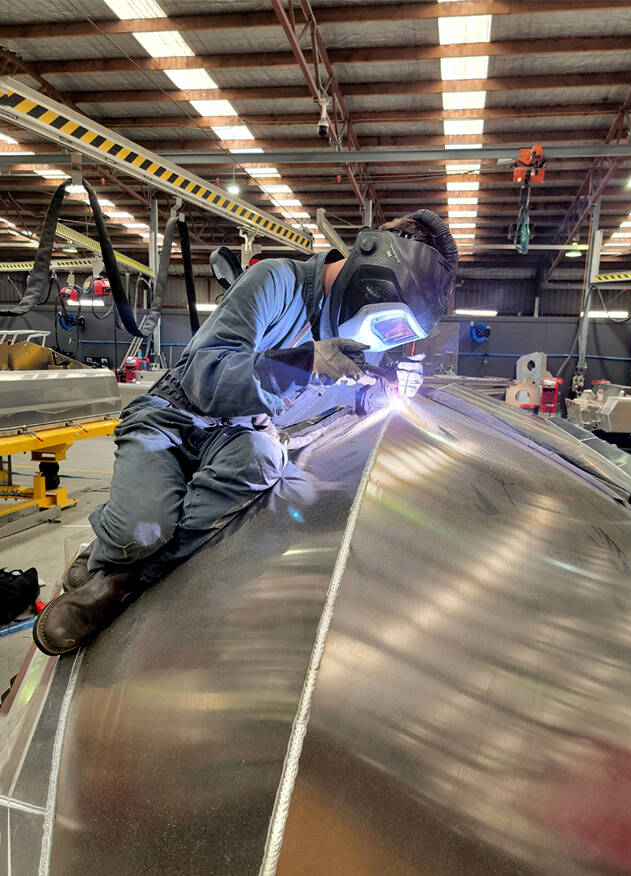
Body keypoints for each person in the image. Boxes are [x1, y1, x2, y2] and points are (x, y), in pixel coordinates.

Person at [34, 210, 457, 656]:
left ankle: (120, 580)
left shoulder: (336, 327)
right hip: (172, 416)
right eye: (386, 323)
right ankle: (111, 553)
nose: (379, 337)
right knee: (141, 531)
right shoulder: (276, 281)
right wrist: (304, 363)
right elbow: (206, 376)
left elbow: (328, 389)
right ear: (372, 273)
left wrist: (369, 395)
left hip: (235, 431)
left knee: (274, 469)